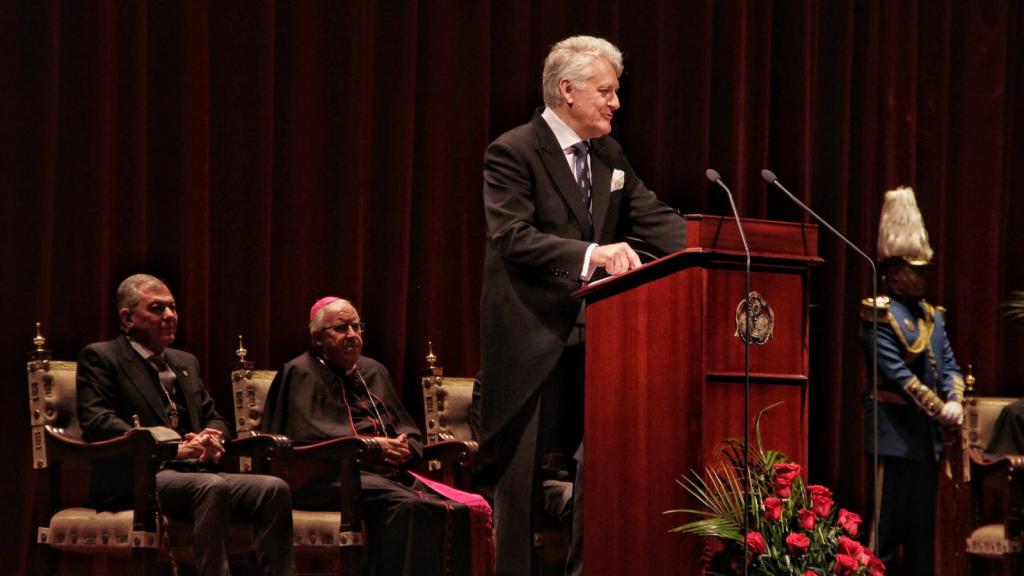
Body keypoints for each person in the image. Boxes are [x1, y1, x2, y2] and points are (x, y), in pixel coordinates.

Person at [479, 35, 686, 575]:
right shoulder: (513, 150)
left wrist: (722, 247)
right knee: (520, 486)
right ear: (566, 90)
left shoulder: (610, 155)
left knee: (603, 472)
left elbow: (655, 219)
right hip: (531, 342)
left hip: (599, 342)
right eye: (606, 91)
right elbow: (512, 237)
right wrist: (593, 253)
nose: (616, 103)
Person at [76, 274, 296, 576]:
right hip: (135, 478)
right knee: (211, 485)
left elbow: (213, 416)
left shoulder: (184, 362)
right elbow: (97, 421)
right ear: (127, 318)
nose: (169, 316)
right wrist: (173, 449)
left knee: (273, 489)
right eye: (156, 309)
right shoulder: (102, 357)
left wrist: (212, 437)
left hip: (193, 474)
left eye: (173, 307)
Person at [262, 296, 492, 576]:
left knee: (458, 509)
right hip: (327, 479)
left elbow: (405, 428)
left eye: (356, 327)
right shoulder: (299, 372)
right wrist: (373, 449)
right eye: (341, 328)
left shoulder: (373, 370)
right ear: (317, 339)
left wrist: (404, 447)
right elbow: (303, 439)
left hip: (381, 478)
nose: (352, 335)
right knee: (413, 508)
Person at [859, 187, 965, 575]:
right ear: (892, 272)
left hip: (926, 440)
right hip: (892, 435)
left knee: (922, 540)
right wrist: (941, 410)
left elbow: (949, 365)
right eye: (913, 269)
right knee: (883, 537)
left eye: (923, 269)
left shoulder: (932, 316)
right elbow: (898, 375)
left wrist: (954, 400)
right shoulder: (878, 317)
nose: (921, 276)